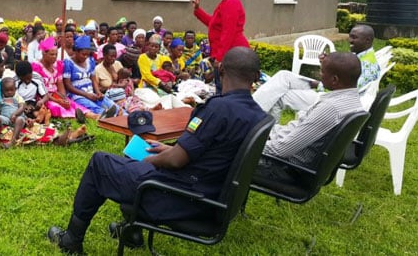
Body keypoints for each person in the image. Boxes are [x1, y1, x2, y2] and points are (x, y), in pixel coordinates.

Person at [47, 47, 267, 254]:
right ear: (256, 77)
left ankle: (71, 240)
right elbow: (212, 153)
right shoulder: (259, 116)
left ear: (220, 69)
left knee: (100, 162)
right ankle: (132, 232)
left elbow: (176, 161)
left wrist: (152, 160)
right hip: (209, 195)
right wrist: (169, 149)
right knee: (135, 157)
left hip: (181, 198)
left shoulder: (219, 108)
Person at [255, 52, 364, 181]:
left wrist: (247, 143)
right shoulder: (353, 101)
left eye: (322, 72)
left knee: (227, 147)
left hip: (285, 167)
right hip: (291, 155)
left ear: (335, 80)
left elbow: (281, 150)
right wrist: (271, 131)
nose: (319, 75)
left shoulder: (330, 108)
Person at [252, 24, 379, 121]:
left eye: (354, 37)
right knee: (283, 76)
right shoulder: (363, 56)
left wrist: (317, 84)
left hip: (330, 99)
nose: (349, 40)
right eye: (350, 36)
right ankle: (251, 112)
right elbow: (342, 78)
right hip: (327, 89)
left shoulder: (367, 65)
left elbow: (346, 90)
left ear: (367, 40)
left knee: (280, 96)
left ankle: (250, 117)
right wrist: (327, 64)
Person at [192, 0, 250, 93]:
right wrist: (198, 10)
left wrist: (220, 58)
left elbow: (228, 32)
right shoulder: (226, 2)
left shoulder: (231, 3)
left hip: (232, 52)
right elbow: (213, 23)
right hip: (227, 52)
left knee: (227, 88)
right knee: (222, 87)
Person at [63, 36, 118, 119]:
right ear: (76, 52)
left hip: (91, 93)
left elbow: (93, 78)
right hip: (77, 95)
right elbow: (68, 85)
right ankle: (104, 116)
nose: (85, 57)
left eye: (87, 55)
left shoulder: (90, 61)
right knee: (94, 108)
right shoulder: (68, 63)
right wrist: (86, 95)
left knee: (112, 105)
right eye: (83, 54)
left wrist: (98, 92)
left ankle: (117, 113)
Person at [32, 37, 81, 118]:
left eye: (56, 54)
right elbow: (40, 91)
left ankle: (88, 114)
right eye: (51, 54)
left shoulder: (58, 65)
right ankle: (73, 116)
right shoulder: (36, 67)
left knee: (71, 104)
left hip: (55, 95)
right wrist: (58, 101)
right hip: (43, 97)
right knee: (55, 107)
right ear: (44, 53)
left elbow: (60, 84)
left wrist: (64, 98)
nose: (54, 57)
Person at [0, 78, 28, 149]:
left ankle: (13, 141)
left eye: (11, 90)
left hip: (17, 119)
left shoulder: (18, 97)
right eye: (6, 90)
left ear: (15, 89)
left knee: (19, 119)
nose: (9, 92)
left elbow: (22, 107)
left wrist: (15, 114)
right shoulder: (1, 99)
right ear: (2, 91)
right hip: (6, 119)